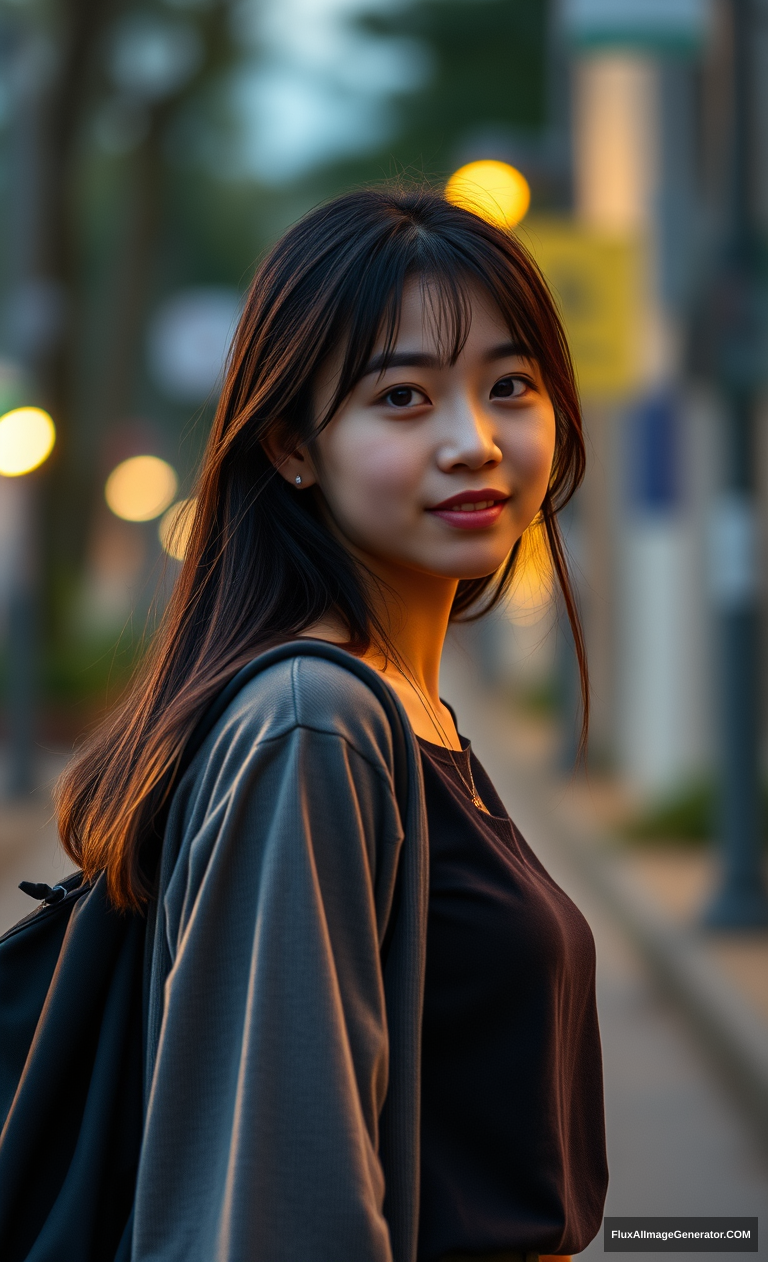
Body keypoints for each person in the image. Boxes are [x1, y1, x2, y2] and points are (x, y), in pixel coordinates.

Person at [56, 187, 608, 1262]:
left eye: (510, 386)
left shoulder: (404, 717)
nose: (475, 442)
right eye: (403, 398)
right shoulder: (315, 724)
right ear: (293, 446)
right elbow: (276, 1214)